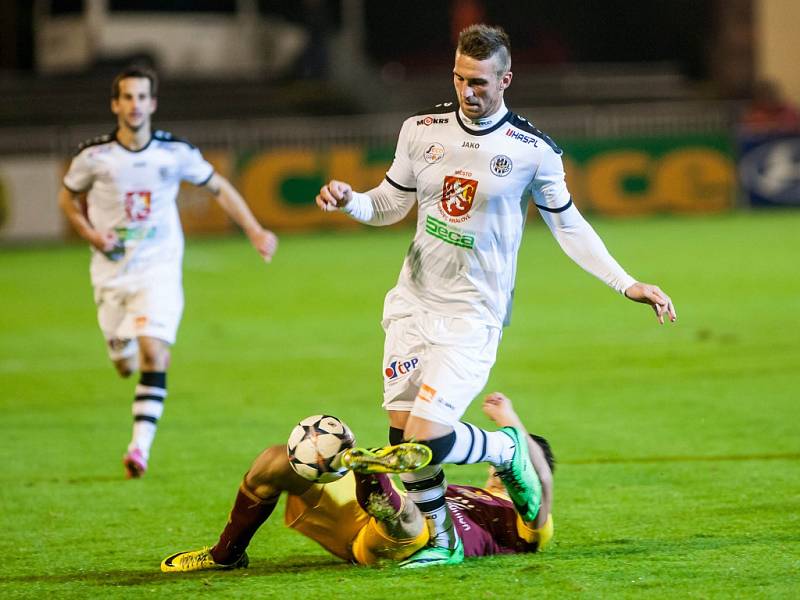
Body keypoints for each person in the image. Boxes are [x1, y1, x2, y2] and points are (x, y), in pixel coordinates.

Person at [315, 23, 676, 567]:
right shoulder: (420, 130)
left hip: (472, 315)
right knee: (402, 447)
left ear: (506, 79)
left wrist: (626, 282)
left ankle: (507, 450)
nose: (468, 92)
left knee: (426, 441)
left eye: (480, 82)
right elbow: (389, 204)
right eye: (461, 79)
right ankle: (438, 542)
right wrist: (350, 202)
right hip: (411, 306)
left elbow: (570, 226)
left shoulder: (533, 152)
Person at [58, 66, 278, 479]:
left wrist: (254, 228)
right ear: (115, 104)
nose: (135, 105)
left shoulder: (174, 152)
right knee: (125, 363)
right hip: (111, 274)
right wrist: (90, 233)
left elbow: (220, 187)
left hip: (158, 270)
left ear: (152, 104)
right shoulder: (94, 156)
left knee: (152, 351)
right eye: (128, 97)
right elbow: (68, 197)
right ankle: (121, 349)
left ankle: (138, 448)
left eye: (143, 97)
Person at [161, 392, 554, 572]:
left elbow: (541, 486)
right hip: (363, 515)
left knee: (416, 523)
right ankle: (225, 555)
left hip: (402, 542)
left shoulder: (531, 524)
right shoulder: (471, 491)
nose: (499, 467)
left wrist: (510, 423)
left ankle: (368, 470)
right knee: (275, 460)